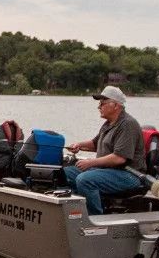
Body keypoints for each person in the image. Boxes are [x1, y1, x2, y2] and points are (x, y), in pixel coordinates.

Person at [62, 85, 147, 215]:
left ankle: (95, 217)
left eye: (103, 103)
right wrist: (78, 145)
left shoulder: (127, 124)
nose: (99, 107)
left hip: (129, 175)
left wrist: (90, 163)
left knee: (85, 180)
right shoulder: (108, 123)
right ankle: (75, 212)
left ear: (116, 105)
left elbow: (119, 158)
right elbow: (95, 144)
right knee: (64, 174)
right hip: (107, 171)